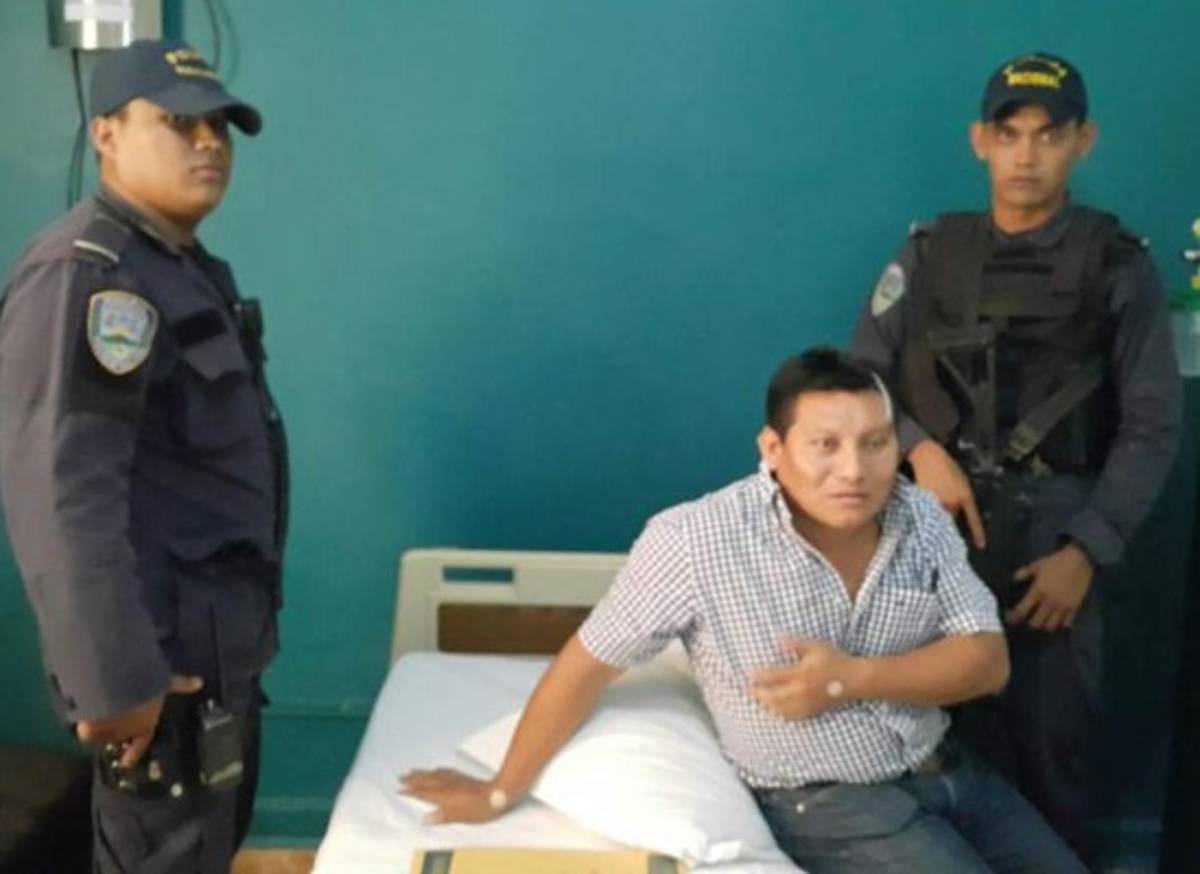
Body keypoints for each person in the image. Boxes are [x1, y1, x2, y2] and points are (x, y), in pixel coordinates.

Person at [401, 348, 1085, 873]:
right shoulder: (696, 542)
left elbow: (987, 662)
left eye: (876, 443)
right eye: (825, 445)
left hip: (952, 770)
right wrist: (501, 790)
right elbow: (587, 662)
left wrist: (847, 679)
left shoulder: (921, 518)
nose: (854, 470)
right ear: (773, 449)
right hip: (830, 802)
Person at [851, 52, 1181, 860]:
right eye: (1009, 134)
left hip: (1055, 539)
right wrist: (920, 451)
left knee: (1051, 749)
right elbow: (863, 377)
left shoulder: (1117, 264)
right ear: (981, 142)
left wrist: (1087, 551)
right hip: (936, 529)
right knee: (925, 743)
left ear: (1082, 142)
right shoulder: (928, 253)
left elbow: (1152, 425)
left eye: (1048, 135)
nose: (1026, 155)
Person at [0, 39, 287, 873]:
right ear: (107, 134)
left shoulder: (176, 269)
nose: (207, 144)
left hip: (216, 663)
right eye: (178, 123)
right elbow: (60, 490)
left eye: (219, 129)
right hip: (158, 679)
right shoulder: (89, 276)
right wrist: (112, 679)